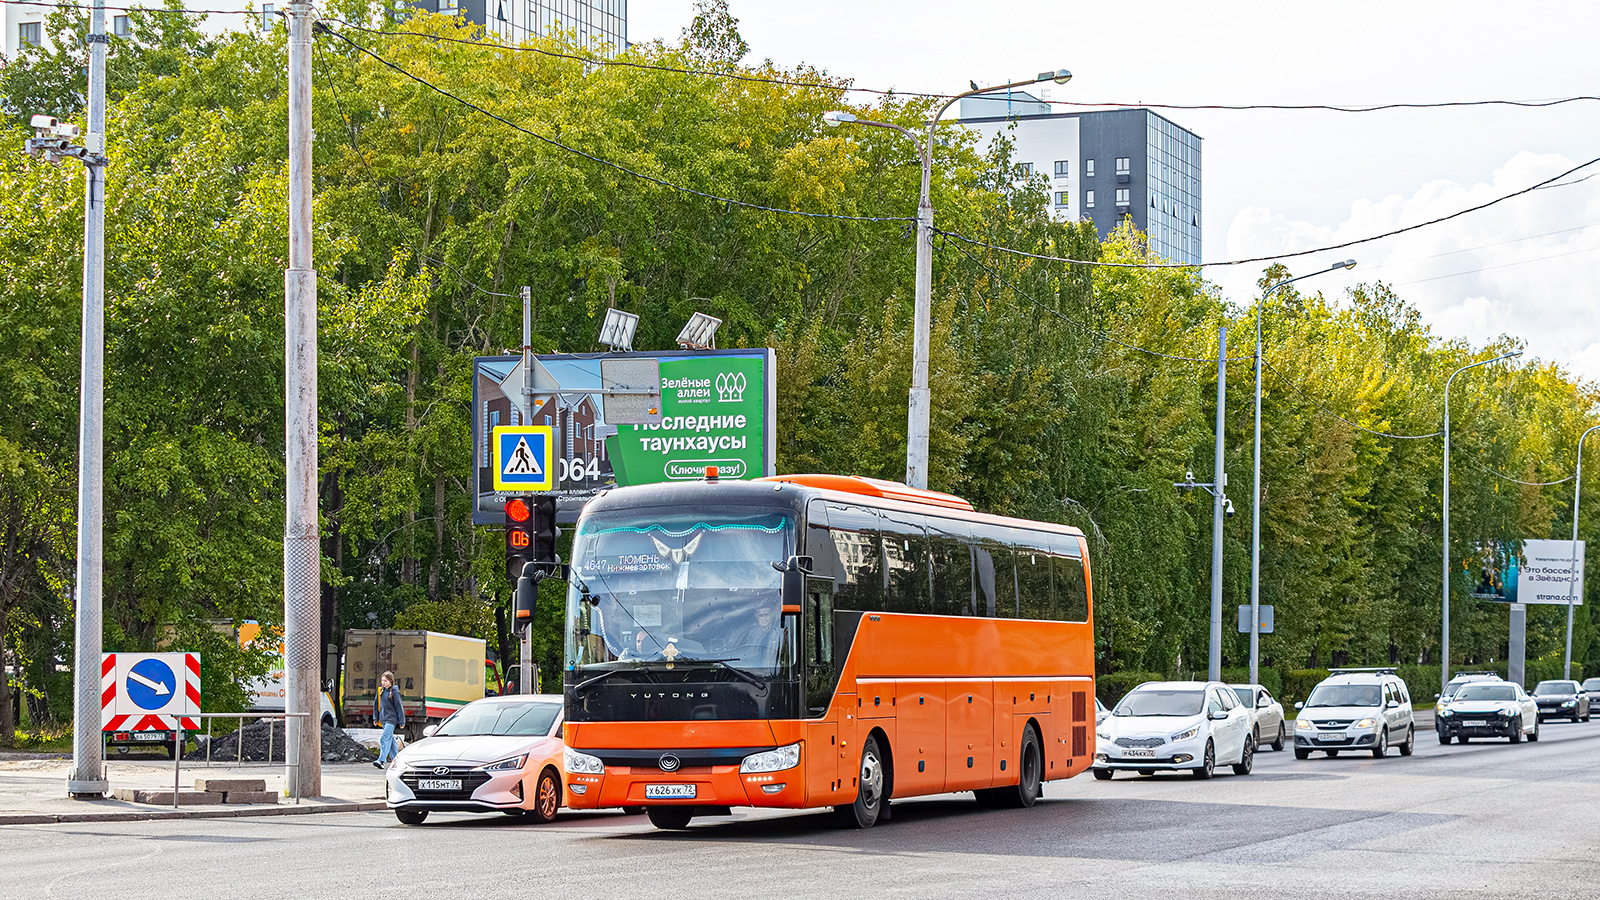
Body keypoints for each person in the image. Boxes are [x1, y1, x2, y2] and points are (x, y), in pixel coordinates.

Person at [374, 671, 405, 768]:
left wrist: (401, 721)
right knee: (390, 740)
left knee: (384, 738)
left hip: (391, 719)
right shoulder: (380, 691)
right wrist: (376, 718)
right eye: (382, 680)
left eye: (385, 681)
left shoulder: (395, 691)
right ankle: (396, 760)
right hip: (383, 719)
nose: (383, 683)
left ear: (391, 681)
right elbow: (376, 705)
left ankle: (381, 760)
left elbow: (399, 706)